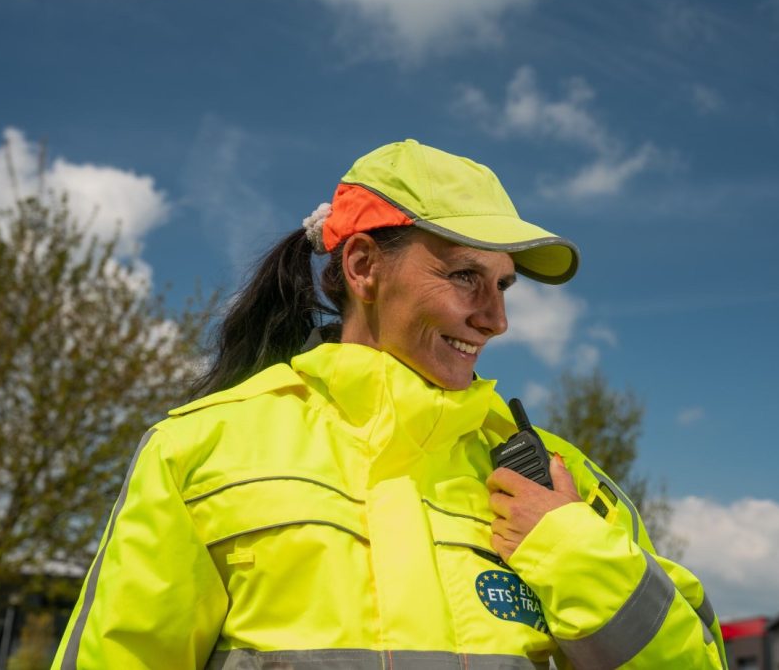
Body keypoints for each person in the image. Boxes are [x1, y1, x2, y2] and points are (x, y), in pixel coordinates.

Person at [52, 139, 727, 670]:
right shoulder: (199, 449)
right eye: (465, 275)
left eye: (503, 285)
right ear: (365, 267)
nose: (495, 319)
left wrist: (574, 551)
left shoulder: (560, 482)